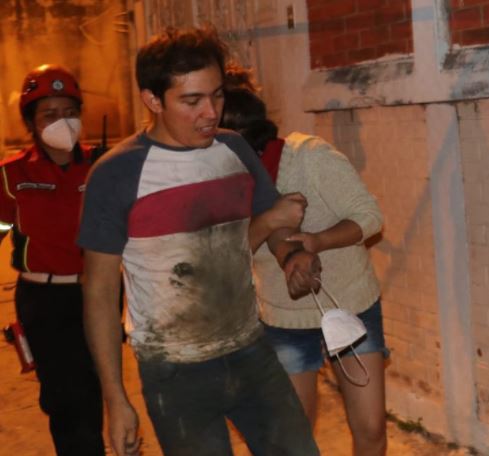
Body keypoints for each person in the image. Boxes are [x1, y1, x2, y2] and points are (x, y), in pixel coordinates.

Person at [78, 28, 320, 456]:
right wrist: (114, 399)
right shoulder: (116, 174)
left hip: (251, 350)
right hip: (174, 370)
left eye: (218, 95)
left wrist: (292, 255)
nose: (211, 112)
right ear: (153, 100)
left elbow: (272, 221)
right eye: (192, 101)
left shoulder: (234, 148)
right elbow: (98, 292)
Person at [220, 67, 388, 455]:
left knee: (372, 428)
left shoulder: (310, 157)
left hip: (350, 305)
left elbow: (369, 217)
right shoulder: (220, 183)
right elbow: (227, 257)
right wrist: (266, 224)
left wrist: (317, 241)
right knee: (291, 439)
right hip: (284, 321)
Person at [0, 64, 105, 455]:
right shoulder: (11, 175)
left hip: (98, 292)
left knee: (96, 386)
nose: (62, 121)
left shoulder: (103, 166)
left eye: (70, 112)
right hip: (43, 302)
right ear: (30, 121)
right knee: (64, 396)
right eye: (49, 114)